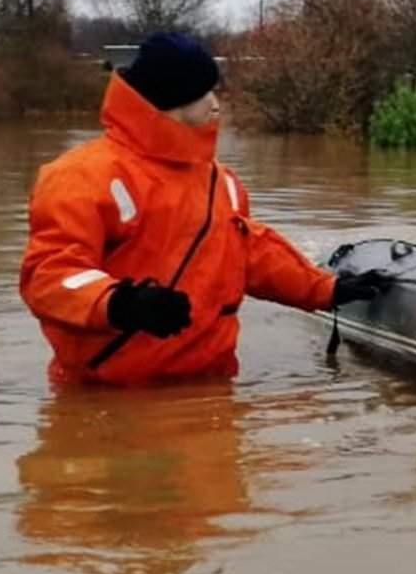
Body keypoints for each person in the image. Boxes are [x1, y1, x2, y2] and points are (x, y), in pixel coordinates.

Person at [20, 32, 385, 385]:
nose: (216, 104)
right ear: (173, 99)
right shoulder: (81, 176)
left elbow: (251, 254)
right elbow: (49, 275)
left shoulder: (221, 181)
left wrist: (326, 289)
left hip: (209, 391)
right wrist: (121, 304)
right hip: (106, 397)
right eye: (204, 94)